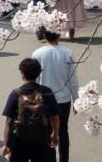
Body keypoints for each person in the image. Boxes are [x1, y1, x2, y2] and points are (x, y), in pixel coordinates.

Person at [1, 58, 60, 162]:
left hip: (21, 141)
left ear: (22, 74)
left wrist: (6, 144)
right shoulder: (46, 92)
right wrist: (55, 134)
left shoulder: (16, 94)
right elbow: (54, 117)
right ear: (38, 74)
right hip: (43, 140)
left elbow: (8, 122)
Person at [31, 32, 79, 162]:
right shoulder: (67, 53)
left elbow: (35, 79)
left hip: (44, 100)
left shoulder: (37, 54)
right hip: (63, 99)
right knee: (63, 130)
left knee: (46, 131)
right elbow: (73, 79)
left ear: (44, 37)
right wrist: (77, 100)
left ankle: (48, 158)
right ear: (58, 36)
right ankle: (64, 159)